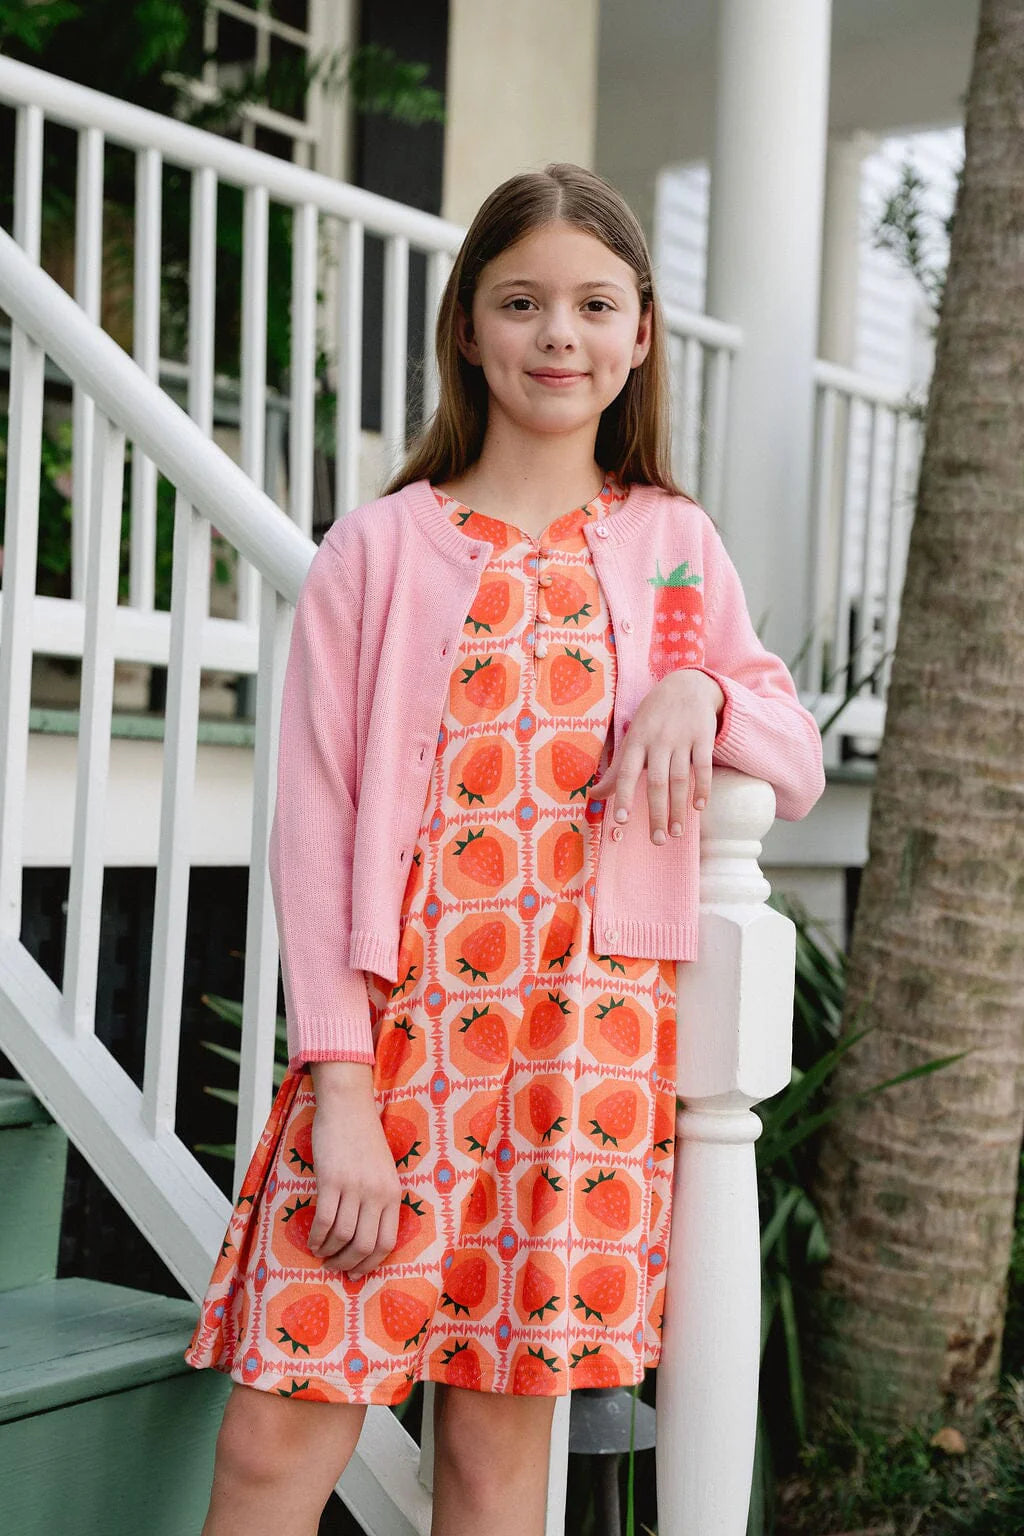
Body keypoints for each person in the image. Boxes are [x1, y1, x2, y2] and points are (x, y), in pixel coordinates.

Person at [185, 161, 826, 1536]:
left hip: (581, 1056)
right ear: (468, 329)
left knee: (492, 1458)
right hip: (397, 1048)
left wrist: (699, 690)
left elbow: (793, 741)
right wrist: (341, 1091)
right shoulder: (375, 553)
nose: (558, 336)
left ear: (639, 334)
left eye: (594, 305)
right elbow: (314, 834)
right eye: (521, 302)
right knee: (273, 1441)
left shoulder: (672, 548)